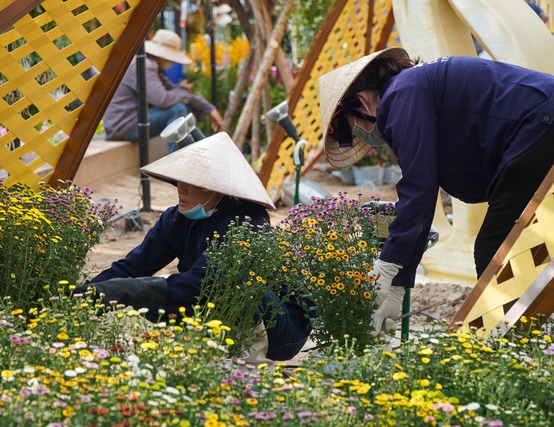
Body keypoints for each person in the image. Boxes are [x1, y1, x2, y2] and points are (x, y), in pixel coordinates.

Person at [318, 47, 554, 336]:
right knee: (525, 244)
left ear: (362, 101)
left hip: (542, 123)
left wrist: (388, 262)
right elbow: (421, 192)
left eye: (351, 129)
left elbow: (419, 189)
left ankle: (512, 347)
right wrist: (400, 282)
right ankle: (525, 341)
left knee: (494, 250)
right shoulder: (408, 90)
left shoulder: (402, 94)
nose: (358, 136)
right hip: (540, 125)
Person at [74, 132, 313, 361]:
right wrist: (83, 296)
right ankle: (212, 349)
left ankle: (247, 361)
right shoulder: (175, 219)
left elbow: (201, 284)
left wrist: (122, 291)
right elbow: (133, 266)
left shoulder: (246, 221)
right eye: (180, 180)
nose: (181, 188)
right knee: (148, 300)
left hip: (281, 329)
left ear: (217, 189)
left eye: (194, 182)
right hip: (221, 304)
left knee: (227, 280)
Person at [103, 29, 224, 153]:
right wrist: (183, 90)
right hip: (123, 126)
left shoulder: (151, 65)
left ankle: (198, 154)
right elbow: (163, 100)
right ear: (163, 56)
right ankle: (177, 163)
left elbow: (175, 92)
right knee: (177, 110)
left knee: (184, 108)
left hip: (128, 122)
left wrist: (210, 109)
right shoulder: (143, 65)